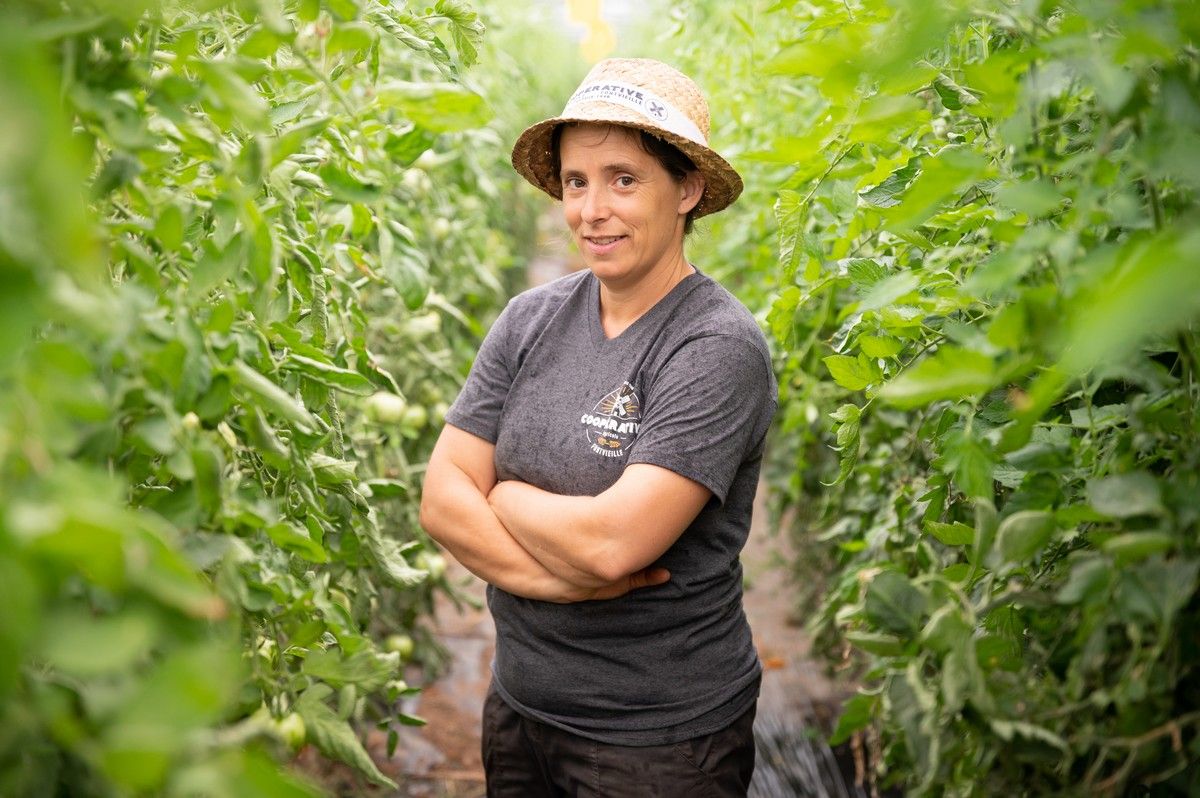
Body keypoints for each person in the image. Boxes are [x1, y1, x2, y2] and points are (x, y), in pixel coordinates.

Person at [419, 58, 777, 797]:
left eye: (623, 179)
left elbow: (617, 544)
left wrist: (507, 498)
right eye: (576, 182)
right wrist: (563, 586)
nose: (591, 210)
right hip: (521, 708)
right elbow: (441, 498)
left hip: (661, 740)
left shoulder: (714, 347)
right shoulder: (531, 318)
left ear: (687, 190)